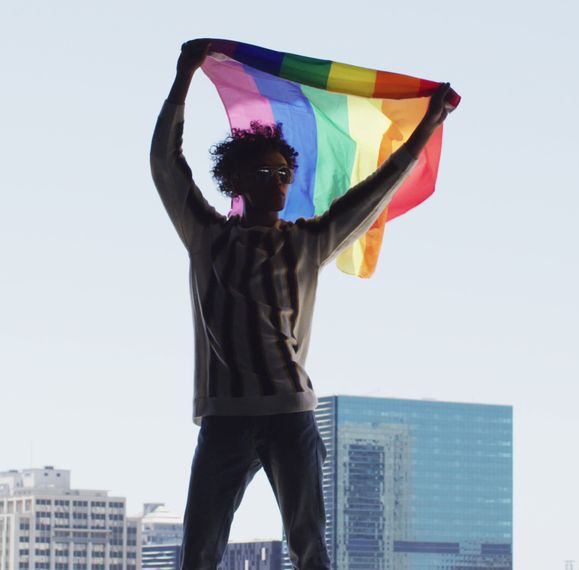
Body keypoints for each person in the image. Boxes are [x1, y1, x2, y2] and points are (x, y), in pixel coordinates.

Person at [149, 39, 454, 570]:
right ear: (236, 179)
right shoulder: (206, 235)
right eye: (263, 174)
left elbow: (374, 191)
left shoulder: (308, 241)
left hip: (291, 414)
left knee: (310, 548)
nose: (276, 183)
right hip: (226, 417)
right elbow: (166, 164)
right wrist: (184, 78)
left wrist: (427, 124)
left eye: (283, 174)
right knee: (197, 552)